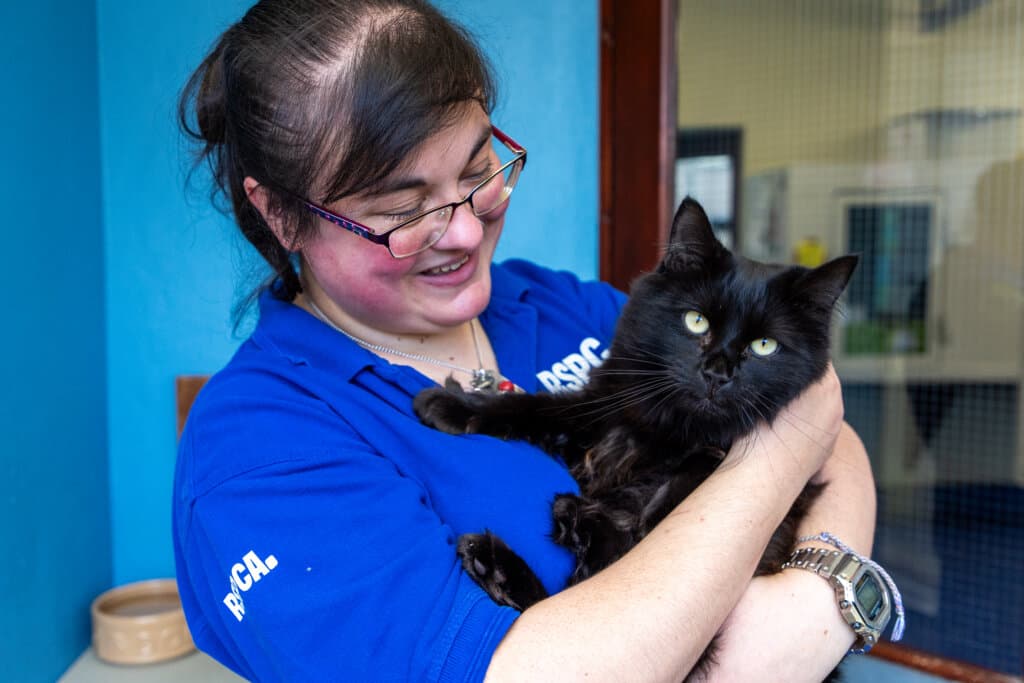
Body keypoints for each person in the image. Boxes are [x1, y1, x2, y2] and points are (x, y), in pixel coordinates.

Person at [173, 1, 877, 680]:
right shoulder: (260, 445)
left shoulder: (552, 302)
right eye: (402, 209)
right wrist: (783, 471)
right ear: (282, 215)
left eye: (480, 171)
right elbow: (811, 423)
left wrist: (821, 596)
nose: (466, 232)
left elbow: (834, 436)